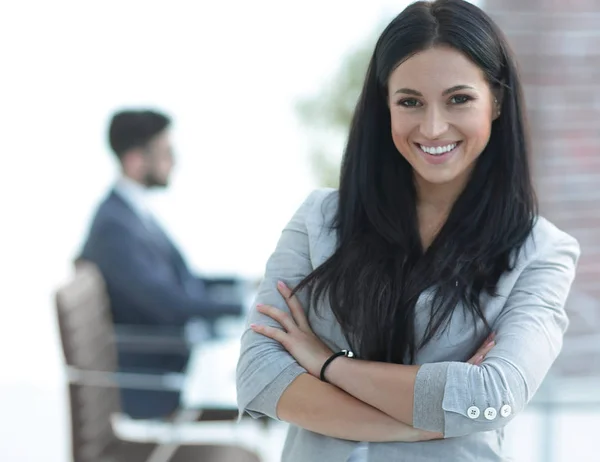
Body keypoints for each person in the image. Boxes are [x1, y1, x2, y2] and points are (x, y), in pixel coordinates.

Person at [235, 0, 580, 460]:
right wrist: (426, 423)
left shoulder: (542, 251)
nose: (433, 127)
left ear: (495, 100)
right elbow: (258, 375)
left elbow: (492, 397)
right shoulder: (317, 219)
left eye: (458, 99)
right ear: (386, 106)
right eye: (410, 102)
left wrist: (326, 364)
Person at [80, 109, 244, 419]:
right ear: (135, 160)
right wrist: (243, 308)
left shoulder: (132, 213)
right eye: (166, 152)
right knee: (268, 403)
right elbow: (167, 303)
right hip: (155, 383)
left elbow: (182, 281)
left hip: (172, 365)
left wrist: (243, 287)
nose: (175, 161)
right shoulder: (114, 227)